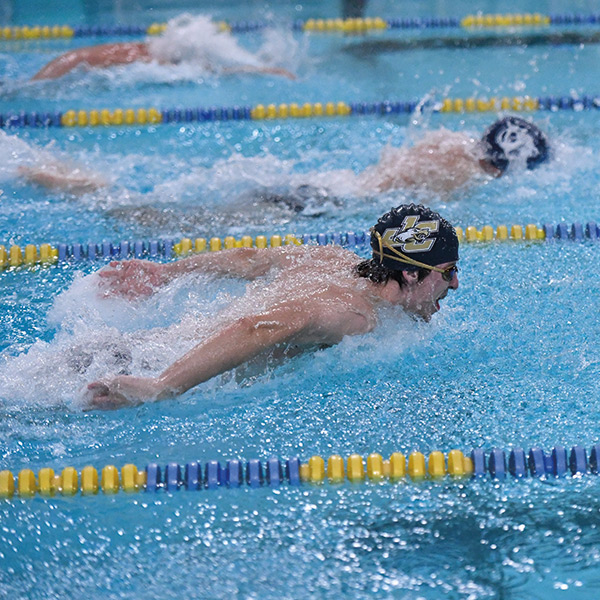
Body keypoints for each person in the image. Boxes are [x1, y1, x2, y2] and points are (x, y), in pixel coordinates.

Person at [83, 203, 460, 410]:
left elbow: (250, 259)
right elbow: (259, 327)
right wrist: (161, 386)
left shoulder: (333, 258)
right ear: (411, 274)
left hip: (129, 345)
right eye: (447, 271)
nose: (454, 283)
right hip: (137, 371)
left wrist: (166, 272)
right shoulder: (356, 317)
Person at [20, 115, 550, 216]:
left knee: (164, 211)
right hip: (318, 206)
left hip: (319, 187)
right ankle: (62, 178)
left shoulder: (445, 139)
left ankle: (66, 174)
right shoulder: (466, 174)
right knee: (149, 219)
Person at [31, 14, 296, 80]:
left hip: (71, 62)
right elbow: (210, 72)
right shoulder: (147, 60)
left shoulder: (146, 49)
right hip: (67, 67)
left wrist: (262, 70)